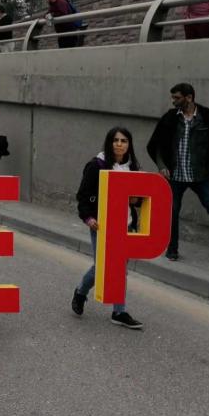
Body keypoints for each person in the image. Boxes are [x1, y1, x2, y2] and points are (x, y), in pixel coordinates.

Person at [70, 126, 144, 329]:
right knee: (103, 266)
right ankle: (81, 292)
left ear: (129, 145)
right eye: (116, 140)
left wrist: (136, 201)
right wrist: (88, 218)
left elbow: (138, 200)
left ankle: (119, 312)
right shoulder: (97, 165)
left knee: (119, 268)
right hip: (101, 225)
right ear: (110, 143)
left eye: (124, 141)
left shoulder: (133, 167)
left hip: (126, 225)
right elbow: (83, 195)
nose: (120, 144)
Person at [146, 83, 209, 261]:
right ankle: (172, 249)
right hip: (175, 176)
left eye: (177, 98)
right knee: (172, 212)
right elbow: (155, 145)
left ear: (189, 97)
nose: (173, 101)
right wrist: (161, 165)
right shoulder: (170, 118)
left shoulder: (207, 116)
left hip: (201, 176)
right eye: (173, 97)